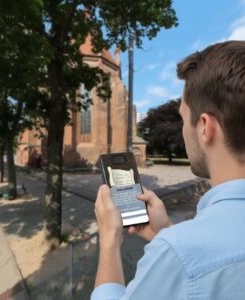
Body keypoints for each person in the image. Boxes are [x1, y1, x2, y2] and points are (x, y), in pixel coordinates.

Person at [91, 40, 245, 300]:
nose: (183, 130)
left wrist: (108, 241)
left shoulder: (176, 255)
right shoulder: (179, 246)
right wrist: (166, 230)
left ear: (205, 127)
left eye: (183, 119)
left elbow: (192, 261)